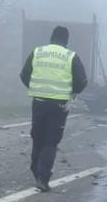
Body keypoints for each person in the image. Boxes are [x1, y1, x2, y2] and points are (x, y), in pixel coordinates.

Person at [20, 26, 87, 192]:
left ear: (52, 37)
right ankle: (43, 178)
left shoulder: (37, 52)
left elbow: (24, 74)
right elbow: (81, 81)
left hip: (39, 101)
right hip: (59, 105)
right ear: (66, 40)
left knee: (38, 136)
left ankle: (35, 169)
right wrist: (72, 92)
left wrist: (36, 87)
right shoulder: (70, 56)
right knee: (51, 141)